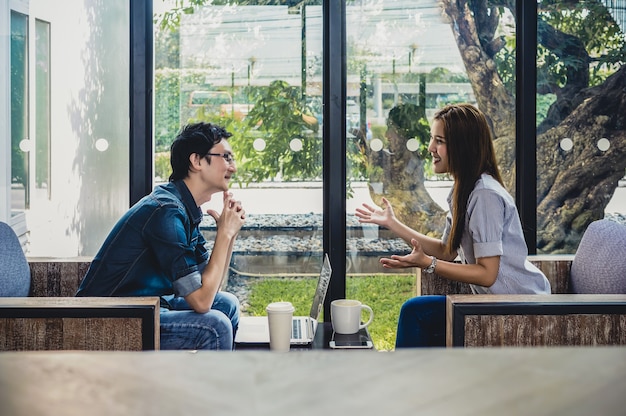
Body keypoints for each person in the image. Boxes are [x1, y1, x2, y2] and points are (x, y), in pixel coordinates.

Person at [355, 103, 551, 348]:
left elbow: (487, 274)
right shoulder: (463, 189)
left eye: (440, 141)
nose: (430, 148)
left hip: (521, 308)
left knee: (416, 312)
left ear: (462, 146)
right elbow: (448, 249)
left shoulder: (485, 195)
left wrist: (428, 264)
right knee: (416, 312)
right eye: (432, 139)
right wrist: (393, 224)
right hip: (493, 303)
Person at [76, 122, 245, 350]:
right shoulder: (165, 211)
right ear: (196, 161)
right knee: (215, 326)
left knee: (228, 304)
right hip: (108, 319)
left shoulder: (183, 206)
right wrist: (223, 234)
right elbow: (202, 301)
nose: (232, 167)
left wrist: (230, 234)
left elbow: (209, 285)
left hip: (148, 307)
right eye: (225, 157)